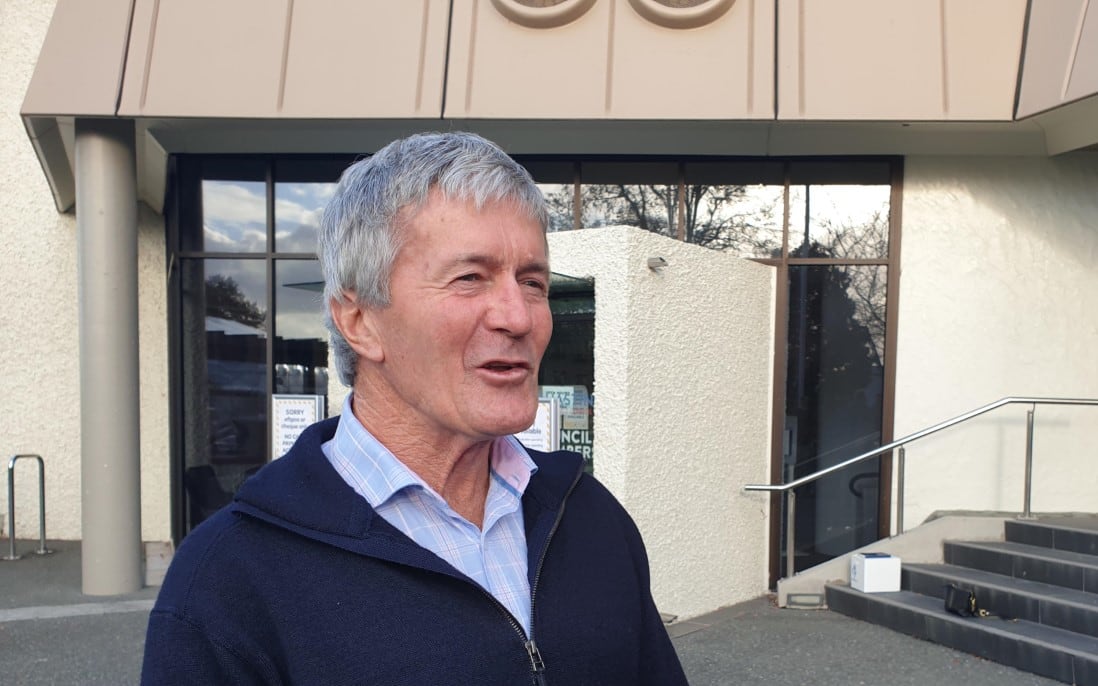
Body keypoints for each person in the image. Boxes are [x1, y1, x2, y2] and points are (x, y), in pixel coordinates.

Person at [141, 132, 688, 685]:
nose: (518, 317)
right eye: (469, 278)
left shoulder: (591, 518)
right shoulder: (229, 583)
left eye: (532, 282)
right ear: (360, 322)